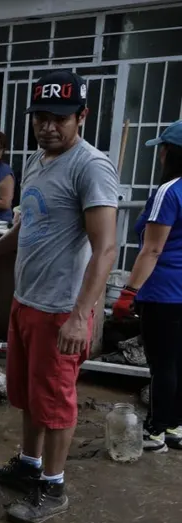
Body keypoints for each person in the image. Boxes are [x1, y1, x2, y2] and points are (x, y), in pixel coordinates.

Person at [0, 71, 118, 523]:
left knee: (55, 400)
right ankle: (29, 467)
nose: (48, 127)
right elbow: (27, 225)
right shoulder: (35, 161)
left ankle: (53, 487)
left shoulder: (91, 167)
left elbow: (106, 248)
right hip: (27, 301)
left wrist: (80, 316)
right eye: (41, 118)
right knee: (29, 395)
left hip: (61, 311)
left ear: (82, 117)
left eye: (59, 119)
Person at [112, 121, 182, 453]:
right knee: (178, 362)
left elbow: (152, 249)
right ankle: (176, 426)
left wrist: (128, 293)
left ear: (169, 153)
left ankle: (155, 431)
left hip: (164, 293)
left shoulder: (169, 191)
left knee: (162, 363)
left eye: (162, 149)